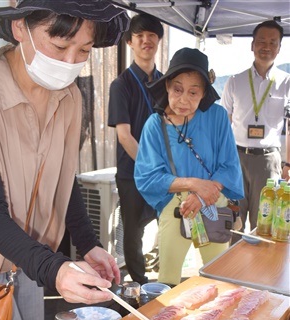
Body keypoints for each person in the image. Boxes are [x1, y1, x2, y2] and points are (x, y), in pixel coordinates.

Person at [0, 0, 130, 320]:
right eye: (59, 46)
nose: (70, 61)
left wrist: (87, 244)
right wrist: (55, 269)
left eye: (84, 50)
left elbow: (62, 175)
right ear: (20, 27)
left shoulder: (70, 96)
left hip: (29, 261)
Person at [134, 48, 244, 286]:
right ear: (167, 86)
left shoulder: (217, 116)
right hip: (176, 206)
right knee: (168, 283)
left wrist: (203, 195)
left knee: (220, 279)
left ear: (204, 93)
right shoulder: (155, 125)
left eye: (193, 92)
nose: (184, 100)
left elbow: (229, 165)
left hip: (214, 201)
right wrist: (193, 185)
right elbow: (148, 177)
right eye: (178, 89)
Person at [221, 20, 290, 242]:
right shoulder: (235, 81)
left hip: (269, 161)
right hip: (236, 159)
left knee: (265, 222)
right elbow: (224, 124)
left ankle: (261, 275)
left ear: (279, 48)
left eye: (273, 42)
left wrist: (288, 163)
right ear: (252, 45)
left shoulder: (287, 83)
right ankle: (232, 272)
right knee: (234, 221)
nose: (266, 46)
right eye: (261, 41)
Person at [108, 14, 164, 285]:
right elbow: (124, 136)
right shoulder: (121, 84)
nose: (146, 40)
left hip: (165, 173)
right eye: (139, 35)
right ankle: (140, 286)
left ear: (158, 41)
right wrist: (151, 168)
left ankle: (166, 282)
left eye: (151, 35)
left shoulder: (168, 83)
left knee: (168, 224)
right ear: (130, 41)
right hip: (133, 172)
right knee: (132, 232)